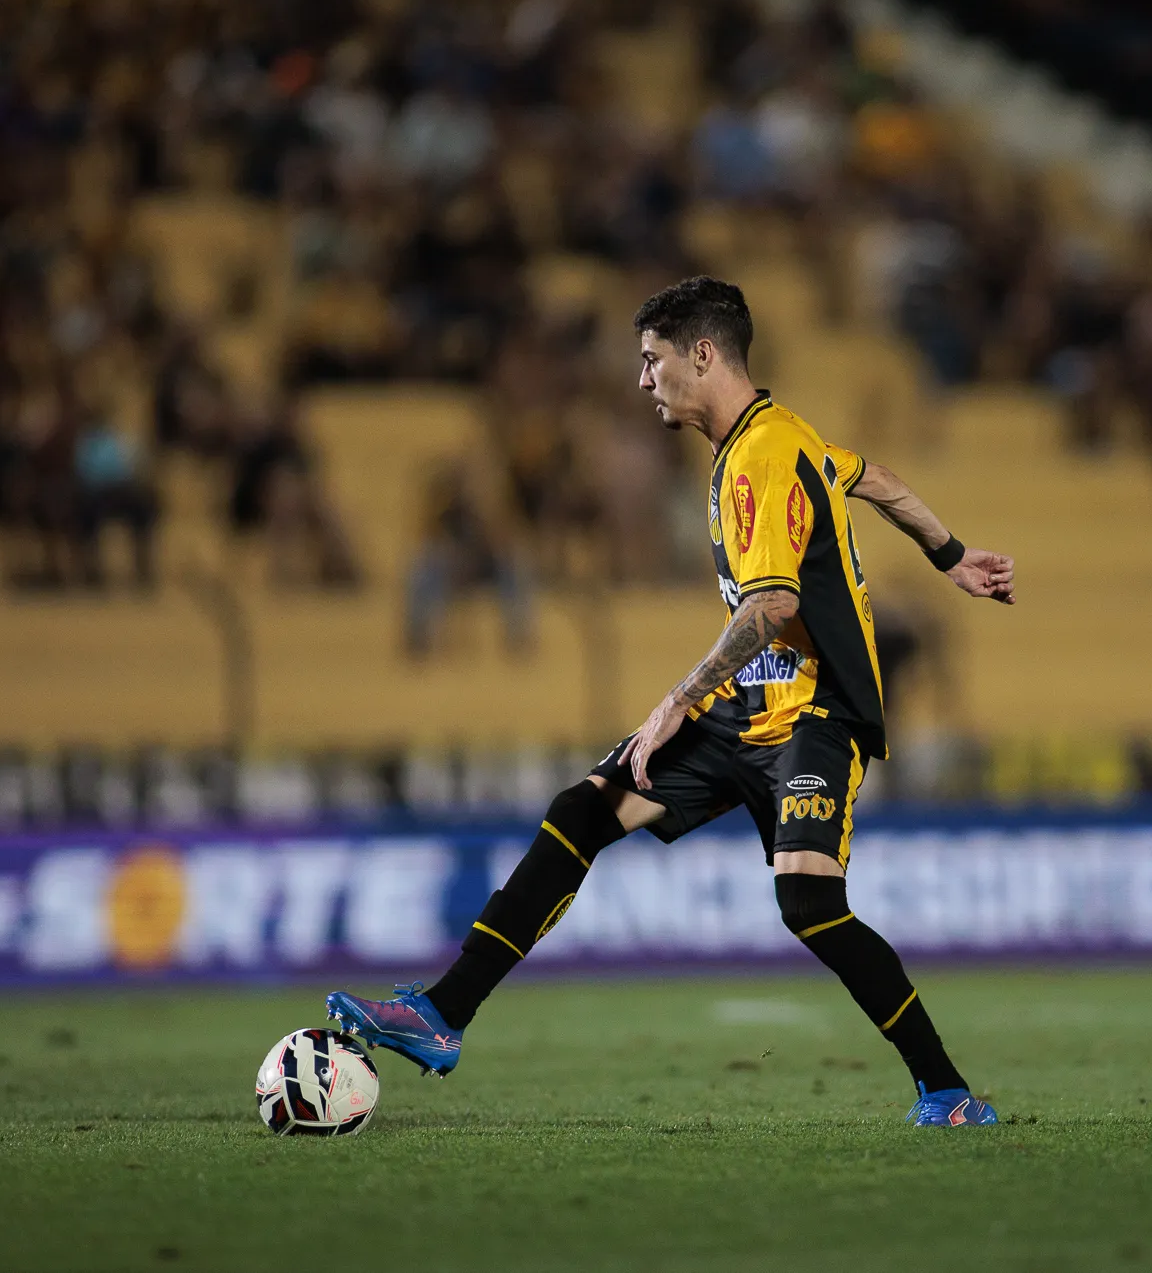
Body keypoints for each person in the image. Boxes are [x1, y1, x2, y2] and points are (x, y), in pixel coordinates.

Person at [328, 277, 1018, 1126]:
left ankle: (945, 1090)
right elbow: (873, 476)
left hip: (812, 715)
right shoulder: (773, 435)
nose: (642, 381)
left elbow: (773, 606)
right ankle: (442, 1015)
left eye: (652, 361)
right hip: (743, 711)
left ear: (702, 354)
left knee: (809, 906)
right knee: (583, 809)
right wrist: (948, 552)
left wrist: (669, 705)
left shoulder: (760, 457)